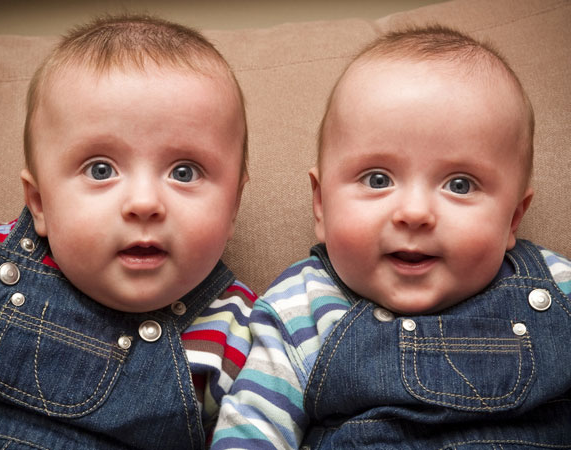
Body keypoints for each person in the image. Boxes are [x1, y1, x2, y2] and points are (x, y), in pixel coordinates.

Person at [212, 26, 571, 449]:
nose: (414, 213)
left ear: (513, 219)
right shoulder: (302, 308)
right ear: (321, 204)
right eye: (378, 179)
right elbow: (253, 427)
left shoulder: (556, 286)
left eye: (459, 185)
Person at [0, 14, 256, 450]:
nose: (143, 202)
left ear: (233, 206)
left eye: (184, 172)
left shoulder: (241, 332)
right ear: (40, 203)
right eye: (100, 169)